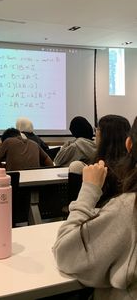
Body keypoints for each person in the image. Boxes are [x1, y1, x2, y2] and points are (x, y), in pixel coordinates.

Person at [52, 117, 137, 299]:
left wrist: (89, 190)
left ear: (130, 143)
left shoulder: (127, 208)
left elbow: (66, 254)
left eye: (97, 131)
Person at [69, 114, 131, 205]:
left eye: (97, 129)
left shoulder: (97, 168)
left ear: (103, 135)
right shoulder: (131, 167)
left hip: (93, 215)